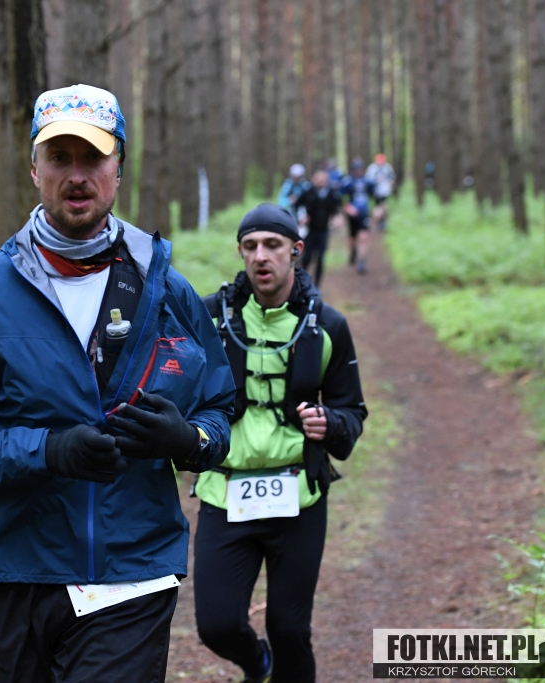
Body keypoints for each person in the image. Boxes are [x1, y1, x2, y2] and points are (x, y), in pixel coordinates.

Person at [0, 84, 235, 683]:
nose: (76, 175)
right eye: (59, 157)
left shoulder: (165, 290)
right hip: (10, 570)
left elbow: (219, 411)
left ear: (119, 168)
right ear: (34, 168)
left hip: (130, 570)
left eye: (93, 157)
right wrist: (50, 451)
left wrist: (186, 440)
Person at [194, 204, 367, 683]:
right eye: (250, 246)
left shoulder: (328, 325)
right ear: (240, 252)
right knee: (216, 625)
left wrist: (329, 423)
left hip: (298, 495)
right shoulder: (209, 318)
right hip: (225, 492)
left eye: (272, 245)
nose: (260, 256)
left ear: (296, 250)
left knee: (290, 629)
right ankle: (258, 664)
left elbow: (352, 412)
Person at [293, 169, 343, 286]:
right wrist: (302, 216)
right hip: (310, 230)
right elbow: (297, 205)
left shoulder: (331, 193)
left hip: (323, 230)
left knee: (320, 258)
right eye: (319, 180)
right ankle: (303, 283)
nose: (321, 182)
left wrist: (337, 218)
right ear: (314, 180)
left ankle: (317, 286)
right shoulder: (308, 192)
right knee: (307, 257)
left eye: (323, 180)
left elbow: (336, 208)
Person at [341, 158, 375, 274]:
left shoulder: (368, 182)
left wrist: (376, 208)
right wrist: (347, 208)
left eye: (360, 169)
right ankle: (353, 252)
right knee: (353, 238)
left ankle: (361, 261)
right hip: (352, 215)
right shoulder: (348, 182)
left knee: (363, 237)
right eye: (357, 169)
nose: (358, 171)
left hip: (364, 213)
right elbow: (340, 198)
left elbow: (375, 196)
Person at [364, 153, 395, 231]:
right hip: (375, 191)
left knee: (384, 206)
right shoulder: (372, 168)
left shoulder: (388, 167)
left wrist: (389, 183)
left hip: (385, 191)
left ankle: (383, 222)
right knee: (377, 207)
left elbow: (392, 178)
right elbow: (368, 179)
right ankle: (377, 222)